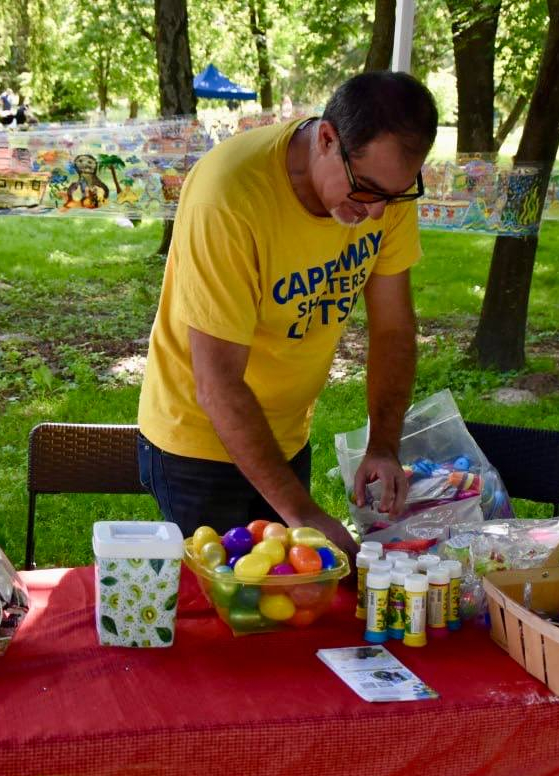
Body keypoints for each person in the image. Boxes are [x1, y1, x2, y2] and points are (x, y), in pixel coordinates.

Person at [136, 72, 437, 558]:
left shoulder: (381, 189)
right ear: (326, 139)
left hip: (285, 439)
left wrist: (383, 444)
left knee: (288, 592)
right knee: (229, 596)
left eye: (396, 195)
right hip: (197, 445)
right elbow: (218, 385)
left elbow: (394, 330)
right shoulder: (229, 195)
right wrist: (303, 512)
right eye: (367, 190)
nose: (379, 213)